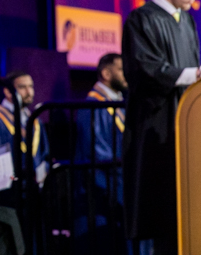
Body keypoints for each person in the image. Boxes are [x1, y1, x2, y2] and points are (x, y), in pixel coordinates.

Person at [122, 0, 201, 254]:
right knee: (161, 212)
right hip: (154, 126)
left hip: (186, 127)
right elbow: (144, 70)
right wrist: (198, 73)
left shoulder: (186, 21)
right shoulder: (140, 19)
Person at [74, 53, 127, 253]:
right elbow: (96, 152)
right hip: (102, 191)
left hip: (118, 185)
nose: (126, 75)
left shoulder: (117, 103)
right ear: (106, 73)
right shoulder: (93, 105)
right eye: (121, 69)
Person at [0, 71, 49, 180]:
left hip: (34, 189)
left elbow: (45, 155)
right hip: (8, 190)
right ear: (8, 91)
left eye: (31, 86)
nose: (29, 92)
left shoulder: (35, 121)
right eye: (22, 87)